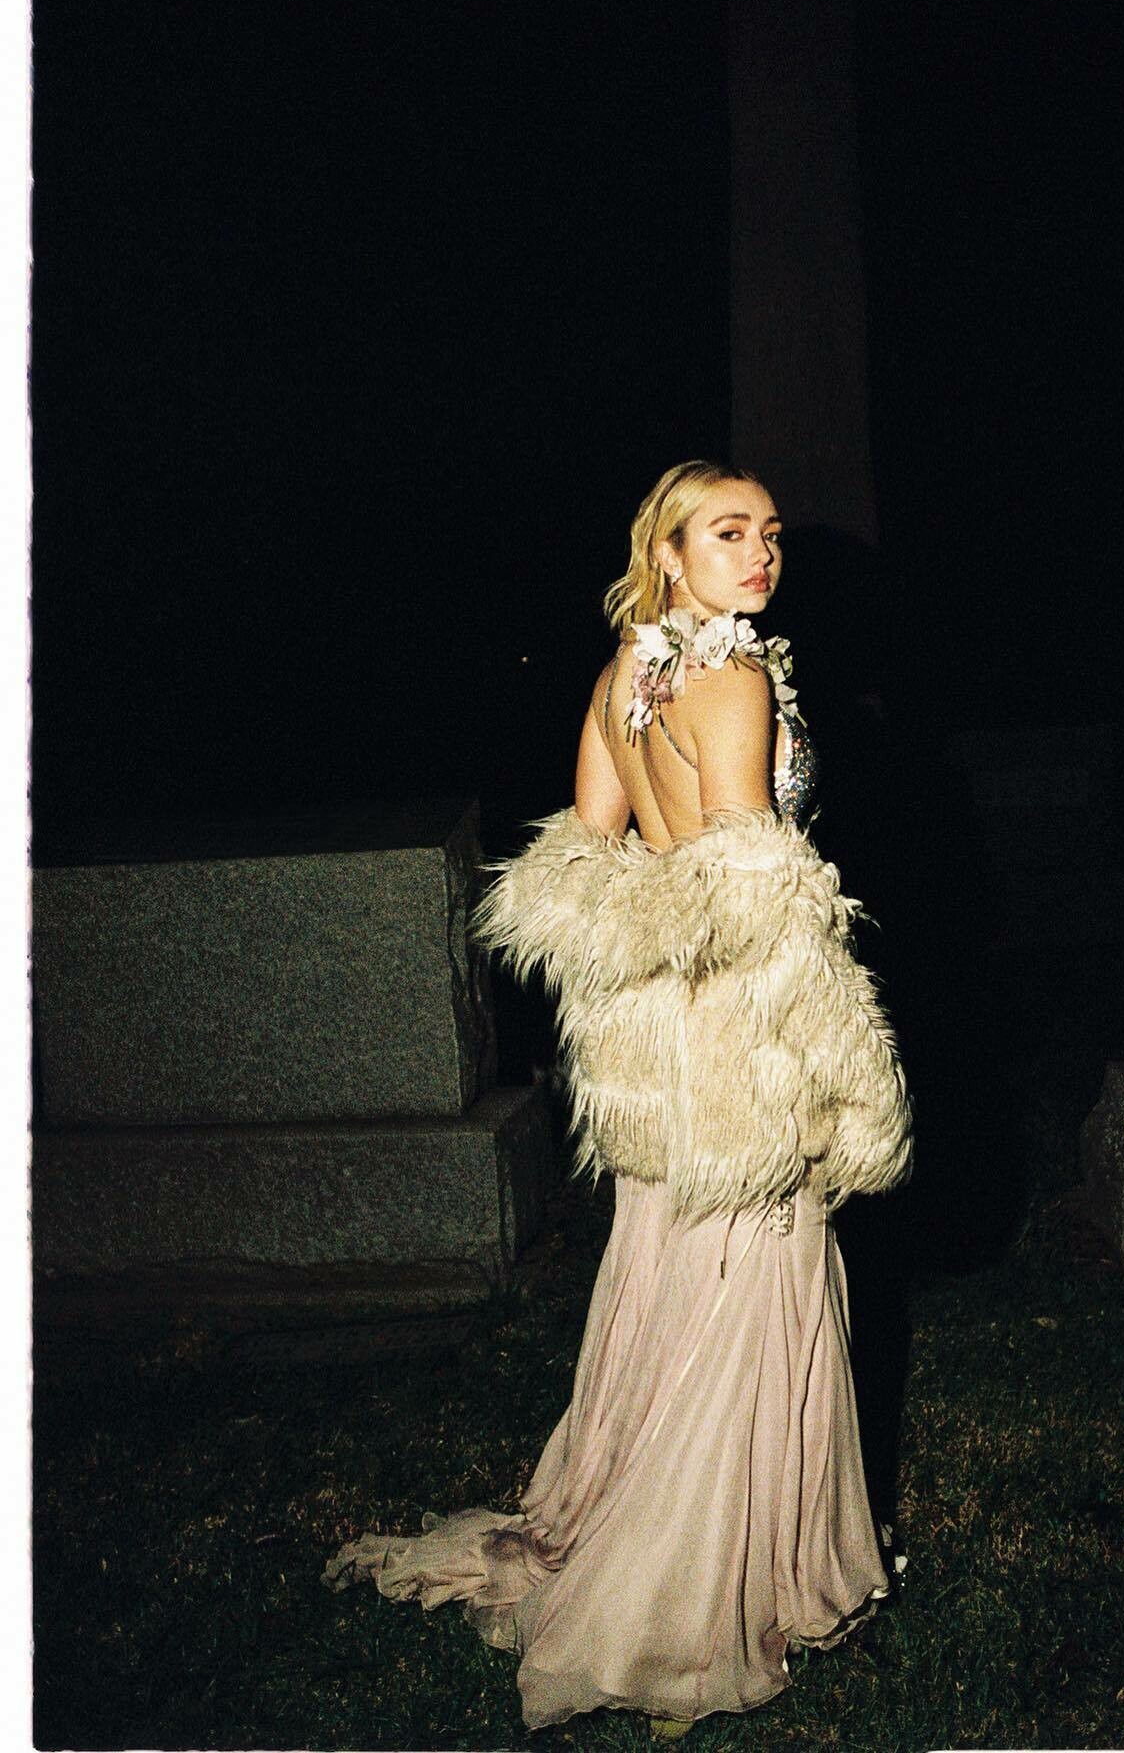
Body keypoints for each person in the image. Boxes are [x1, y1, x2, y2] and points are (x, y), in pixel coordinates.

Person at [321, 460, 914, 1738]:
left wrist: (650, 955)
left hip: (663, 1023)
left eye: (768, 532)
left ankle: (646, 1527)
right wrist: (832, 1048)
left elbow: (590, 853)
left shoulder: (622, 676)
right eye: (727, 533)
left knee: (672, 1262)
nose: (760, 554)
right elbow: (752, 875)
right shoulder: (733, 677)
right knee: (756, 1270)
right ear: (669, 554)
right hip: (742, 1016)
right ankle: (711, 1593)